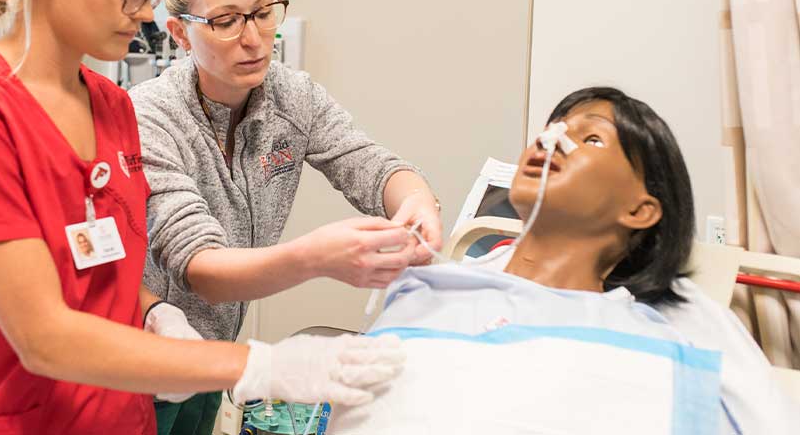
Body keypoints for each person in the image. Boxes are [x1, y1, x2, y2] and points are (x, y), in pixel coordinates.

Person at [0, 0, 403, 435]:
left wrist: (153, 309)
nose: (142, 12)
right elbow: (43, 336)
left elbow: (94, 263)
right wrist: (261, 365)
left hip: (119, 416)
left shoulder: (110, 108)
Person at [129, 0, 442, 435]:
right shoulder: (149, 118)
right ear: (180, 31)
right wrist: (317, 257)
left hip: (216, 361)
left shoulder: (291, 97)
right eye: (226, 20)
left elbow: (369, 163)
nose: (253, 38)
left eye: (262, 12)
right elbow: (200, 267)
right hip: (145, 362)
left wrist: (417, 202)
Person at [332, 87, 796, 433]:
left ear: (640, 209)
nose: (552, 141)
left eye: (591, 139)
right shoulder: (429, 296)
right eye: (551, 129)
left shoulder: (678, 331)